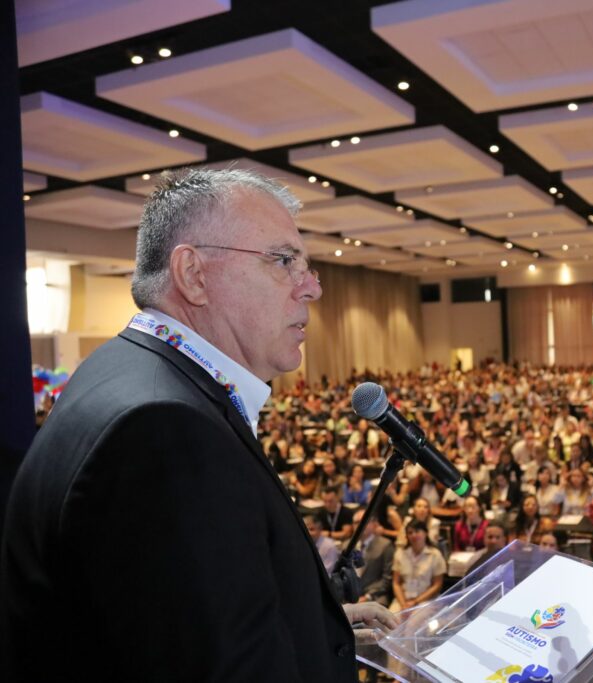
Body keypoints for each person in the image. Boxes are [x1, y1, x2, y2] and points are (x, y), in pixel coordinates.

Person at [0, 169, 394, 681]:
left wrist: (311, 624)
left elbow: (177, 622)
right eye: (283, 261)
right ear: (194, 274)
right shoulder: (164, 432)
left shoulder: (124, 371)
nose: (312, 288)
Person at [391, 520, 446, 612]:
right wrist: (403, 604)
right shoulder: (400, 554)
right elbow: (396, 583)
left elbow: (437, 585)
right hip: (403, 600)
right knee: (389, 621)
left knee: (414, 624)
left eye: (417, 531)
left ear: (425, 533)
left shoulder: (435, 555)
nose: (413, 535)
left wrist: (415, 602)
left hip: (426, 600)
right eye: (410, 533)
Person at [352, 509, 395, 607]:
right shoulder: (348, 546)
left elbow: (387, 579)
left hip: (375, 596)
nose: (360, 525)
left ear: (374, 524)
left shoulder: (385, 545)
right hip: (351, 597)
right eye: (356, 523)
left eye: (364, 521)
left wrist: (368, 596)